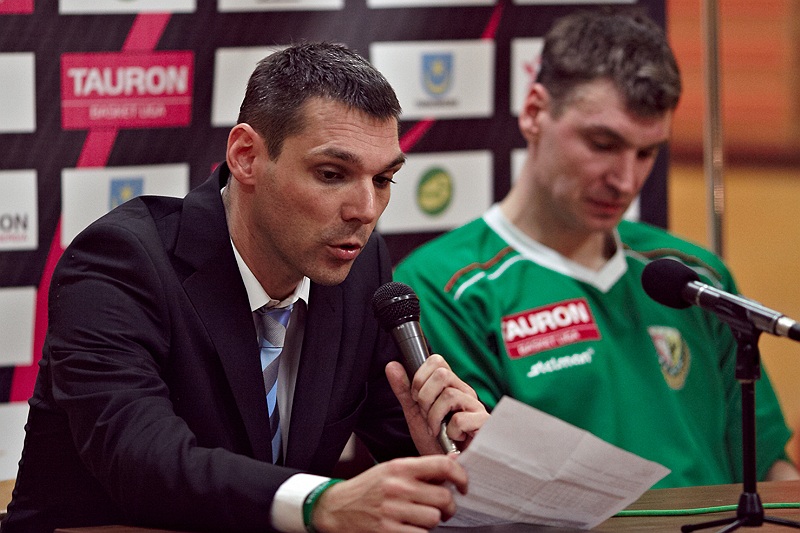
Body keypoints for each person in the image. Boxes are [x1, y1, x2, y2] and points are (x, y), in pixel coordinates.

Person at [2, 42, 489, 533]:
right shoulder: (122, 261)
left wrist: (455, 457)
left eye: (383, 180)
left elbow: (400, 433)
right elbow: (141, 458)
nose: (365, 209)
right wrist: (320, 503)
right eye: (331, 174)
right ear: (246, 156)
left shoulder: (360, 270)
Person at [394, 9, 799, 488]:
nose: (625, 180)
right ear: (534, 112)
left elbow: (770, 468)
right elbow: (480, 487)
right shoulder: (444, 287)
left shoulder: (694, 276)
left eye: (646, 153)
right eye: (603, 144)